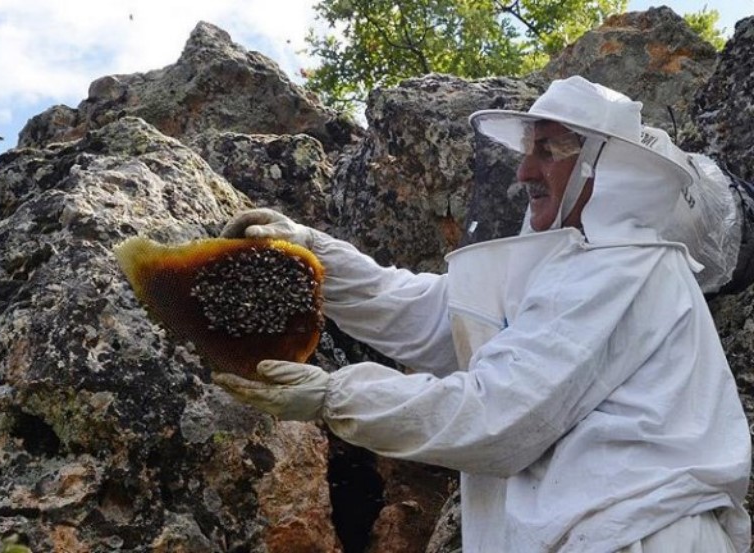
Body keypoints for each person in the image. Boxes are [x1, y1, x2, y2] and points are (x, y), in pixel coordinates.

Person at [213, 76, 752, 552]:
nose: (523, 171)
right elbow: (432, 316)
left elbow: (499, 413)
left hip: (641, 536)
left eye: (546, 150)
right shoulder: (575, 269)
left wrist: (337, 396)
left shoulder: (624, 267)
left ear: (600, 167)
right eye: (527, 149)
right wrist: (315, 254)